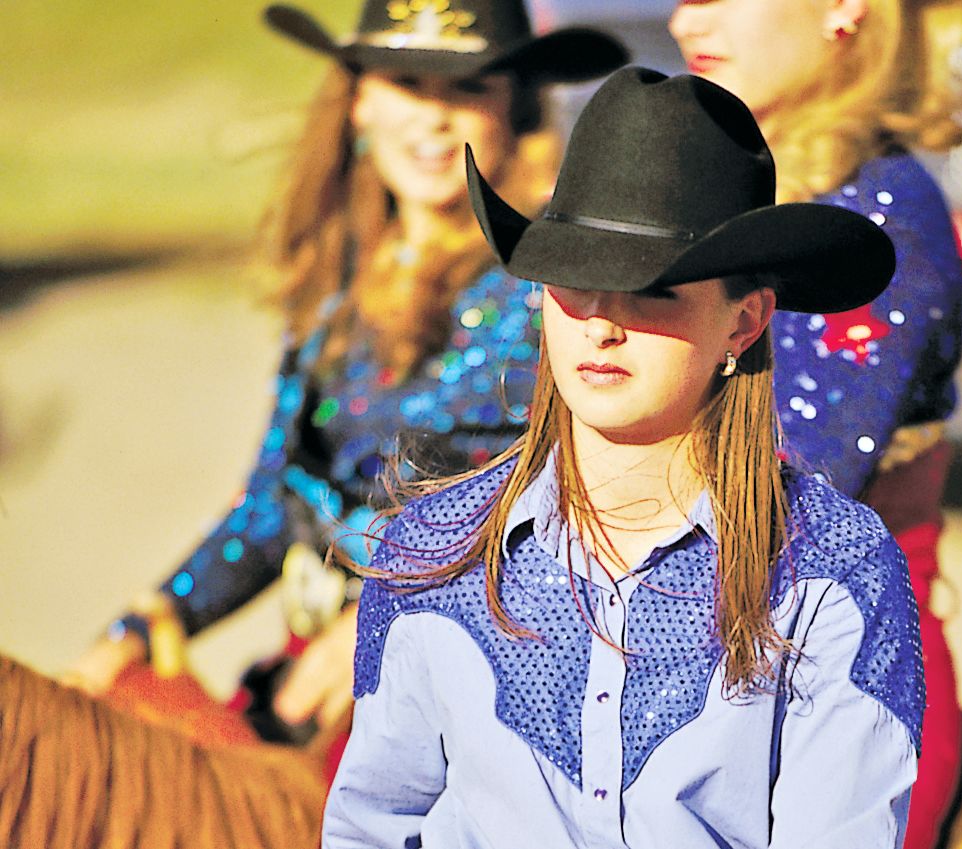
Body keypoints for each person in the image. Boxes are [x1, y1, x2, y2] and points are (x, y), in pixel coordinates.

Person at [324, 66, 921, 848]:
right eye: (574, 280)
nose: (601, 325)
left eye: (652, 290)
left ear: (744, 323)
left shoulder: (832, 571)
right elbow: (371, 826)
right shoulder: (433, 553)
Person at [63, 0, 625, 740]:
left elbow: (593, 517)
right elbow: (273, 501)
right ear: (358, 100)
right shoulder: (338, 279)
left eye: (466, 89)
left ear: (513, 111)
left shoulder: (555, 292)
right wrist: (145, 621)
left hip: (479, 697)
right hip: (318, 679)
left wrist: (389, 619)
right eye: (405, 83)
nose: (431, 120)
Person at [666, 1, 962, 846]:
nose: (686, 19)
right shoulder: (697, 191)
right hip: (662, 645)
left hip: (836, 679)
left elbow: (788, 486)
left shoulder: (885, 214)